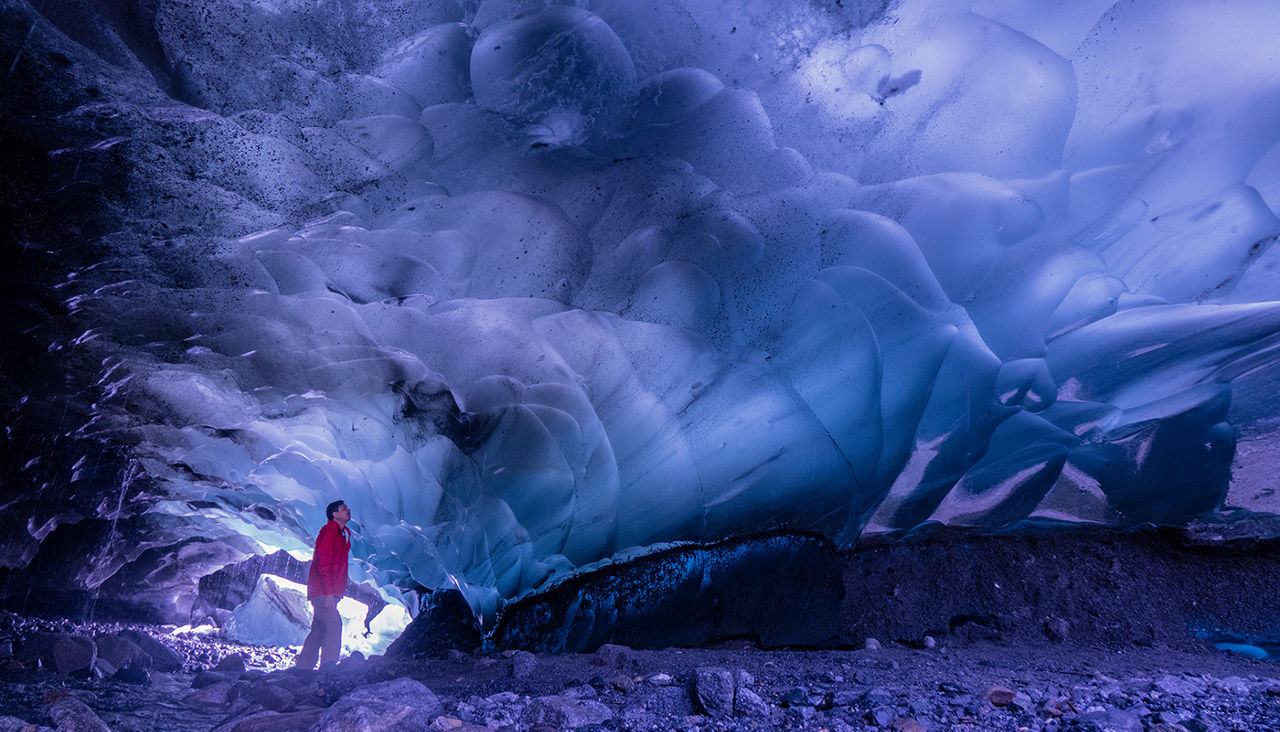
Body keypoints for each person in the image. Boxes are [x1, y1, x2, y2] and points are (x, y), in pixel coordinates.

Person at [295, 499, 352, 669]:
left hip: (324, 592)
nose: (348, 510)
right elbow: (325, 565)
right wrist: (329, 594)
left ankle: (303, 668)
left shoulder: (340, 534)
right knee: (334, 627)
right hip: (324, 593)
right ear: (335, 514)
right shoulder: (329, 532)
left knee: (318, 631)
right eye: (344, 508)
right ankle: (328, 669)